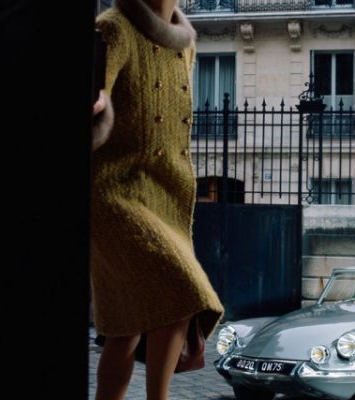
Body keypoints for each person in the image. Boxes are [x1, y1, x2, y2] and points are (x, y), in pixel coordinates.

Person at [90, 1, 224, 399]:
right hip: (116, 192)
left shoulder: (185, 43)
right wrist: (97, 103)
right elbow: (99, 92)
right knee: (182, 289)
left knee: (131, 327)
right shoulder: (114, 28)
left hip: (165, 190)